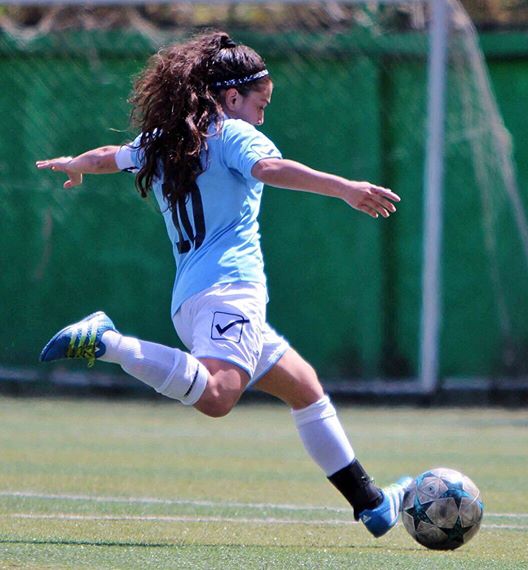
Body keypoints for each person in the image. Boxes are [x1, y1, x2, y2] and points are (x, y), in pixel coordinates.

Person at [36, 30, 410, 538]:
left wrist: (79, 164)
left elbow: (111, 155)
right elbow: (271, 166)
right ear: (232, 97)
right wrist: (344, 188)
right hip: (230, 290)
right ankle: (108, 341)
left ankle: (372, 505)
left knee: (304, 389)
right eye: (260, 103)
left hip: (193, 298)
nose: (262, 115)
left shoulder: (168, 139)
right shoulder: (233, 132)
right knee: (217, 397)